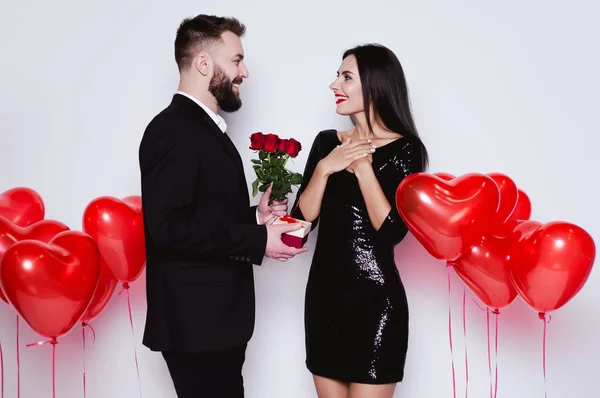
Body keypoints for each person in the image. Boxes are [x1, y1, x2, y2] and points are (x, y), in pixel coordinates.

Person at [138, 14, 307, 398]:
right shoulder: (174, 130)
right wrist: (258, 240)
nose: (244, 71)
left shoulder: (199, 128)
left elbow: (199, 219)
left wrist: (256, 219)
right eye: (236, 60)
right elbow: (166, 230)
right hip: (198, 328)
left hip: (214, 326)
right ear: (203, 63)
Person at [290, 43, 429, 398]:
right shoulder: (325, 144)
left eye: (346, 76)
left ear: (375, 84)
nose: (334, 84)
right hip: (323, 301)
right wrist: (324, 169)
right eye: (338, 75)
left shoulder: (407, 150)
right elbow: (298, 228)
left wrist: (363, 166)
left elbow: (393, 233)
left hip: (376, 303)